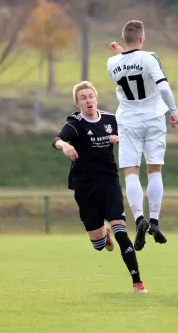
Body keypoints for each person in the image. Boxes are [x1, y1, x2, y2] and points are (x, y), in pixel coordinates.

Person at [52, 80, 147, 293]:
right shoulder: (75, 123)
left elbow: (131, 137)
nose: (88, 100)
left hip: (109, 182)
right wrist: (65, 145)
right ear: (77, 102)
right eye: (83, 97)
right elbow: (57, 139)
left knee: (122, 233)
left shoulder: (111, 119)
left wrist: (119, 138)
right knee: (98, 245)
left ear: (96, 98)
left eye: (91, 96)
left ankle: (138, 284)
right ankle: (104, 234)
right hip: (85, 186)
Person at [107, 20, 178, 252]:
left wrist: (120, 53)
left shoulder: (112, 63)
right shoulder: (150, 57)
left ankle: (139, 219)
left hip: (128, 120)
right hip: (153, 119)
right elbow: (163, 87)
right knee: (154, 170)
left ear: (122, 41)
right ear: (142, 39)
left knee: (131, 172)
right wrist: (174, 111)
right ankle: (155, 221)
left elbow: (126, 64)